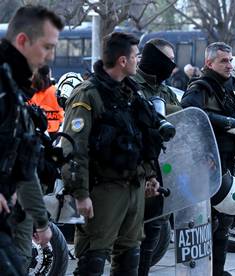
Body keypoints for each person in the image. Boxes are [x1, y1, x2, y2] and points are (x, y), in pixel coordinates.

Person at [61, 32, 165, 275]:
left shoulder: (131, 93)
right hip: (103, 191)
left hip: (133, 187)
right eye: (135, 56)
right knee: (93, 260)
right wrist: (80, 193)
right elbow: (73, 147)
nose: (138, 61)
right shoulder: (88, 94)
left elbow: (142, 135)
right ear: (122, 61)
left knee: (130, 259)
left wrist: (150, 175)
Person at [181, 42, 235, 276]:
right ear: (209, 63)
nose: (229, 65)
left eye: (231, 60)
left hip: (225, 163)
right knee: (207, 221)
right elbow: (189, 116)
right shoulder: (200, 87)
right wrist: (222, 125)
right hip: (206, 165)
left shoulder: (225, 88)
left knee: (223, 220)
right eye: (224, 61)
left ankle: (218, 271)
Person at [0, 5, 63, 273]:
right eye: (46, 47)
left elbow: (24, 164)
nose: (50, 56)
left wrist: (41, 221)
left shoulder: (14, 90)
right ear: (23, 41)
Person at [131, 38, 181, 276]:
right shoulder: (131, 85)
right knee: (130, 239)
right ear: (155, 59)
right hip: (137, 170)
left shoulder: (167, 91)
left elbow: (182, 122)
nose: (172, 66)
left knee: (153, 232)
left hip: (164, 172)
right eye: (169, 60)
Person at [29, 64, 64, 138]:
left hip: (35, 130)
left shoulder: (30, 91)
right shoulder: (55, 91)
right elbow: (61, 111)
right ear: (48, 74)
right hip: (54, 130)